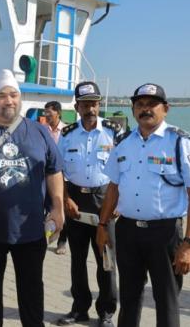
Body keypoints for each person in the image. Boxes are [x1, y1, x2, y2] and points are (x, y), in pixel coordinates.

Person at [97, 83, 190, 327]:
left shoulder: (180, 143)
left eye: (152, 104)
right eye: (140, 105)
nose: (145, 109)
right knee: (129, 298)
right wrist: (103, 225)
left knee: (166, 300)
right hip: (128, 232)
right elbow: (113, 188)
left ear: (165, 109)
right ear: (133, 110)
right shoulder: (124, 143)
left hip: (165, 234)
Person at [0, 69, 64, 327]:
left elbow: (54, 170)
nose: (8, 100)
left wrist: (58, 208)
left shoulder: (39, 132)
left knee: (32, 292)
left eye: (13, 94)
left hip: (30, 229)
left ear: (19, 98)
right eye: (2, 95)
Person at [56, 81, 119, 327]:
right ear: (77, 106)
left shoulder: (114, 132)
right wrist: (65, 198)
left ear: (99, 104)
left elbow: (125, 170)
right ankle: (79, 309)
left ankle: (106, 312)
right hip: (75, 201)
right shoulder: (67, 134)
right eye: (85, 104)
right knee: (77, 259)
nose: (90, 108)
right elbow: (57, 170)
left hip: (104, 200)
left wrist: (117, 204)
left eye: (93, 103)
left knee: (106, 260)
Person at [44, 100, 68, 255]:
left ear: (58, 113)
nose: (46, 115)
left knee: (61, 208)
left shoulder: (67, 130)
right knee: (46, 206)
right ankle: (46, 236)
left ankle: (62, 241)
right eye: (45, 112)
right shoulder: (41, 130)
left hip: (63, 175)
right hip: (45, 174)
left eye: (49, 112)